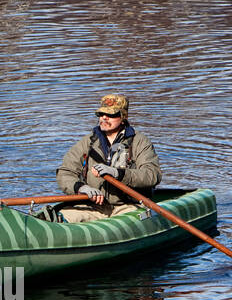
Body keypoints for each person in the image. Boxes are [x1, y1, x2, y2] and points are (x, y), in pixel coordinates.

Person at [56, 93, 162, 223]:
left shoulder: (139, 142)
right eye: (101, 114)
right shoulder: (88, 142)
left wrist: (118, 173)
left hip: (129, 206)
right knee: (59, 218)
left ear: (123, 117)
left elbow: (152, 175)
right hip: (93, 207)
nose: (104, 118)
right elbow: (65, 172)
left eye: (111, 115)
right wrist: (81, 188)